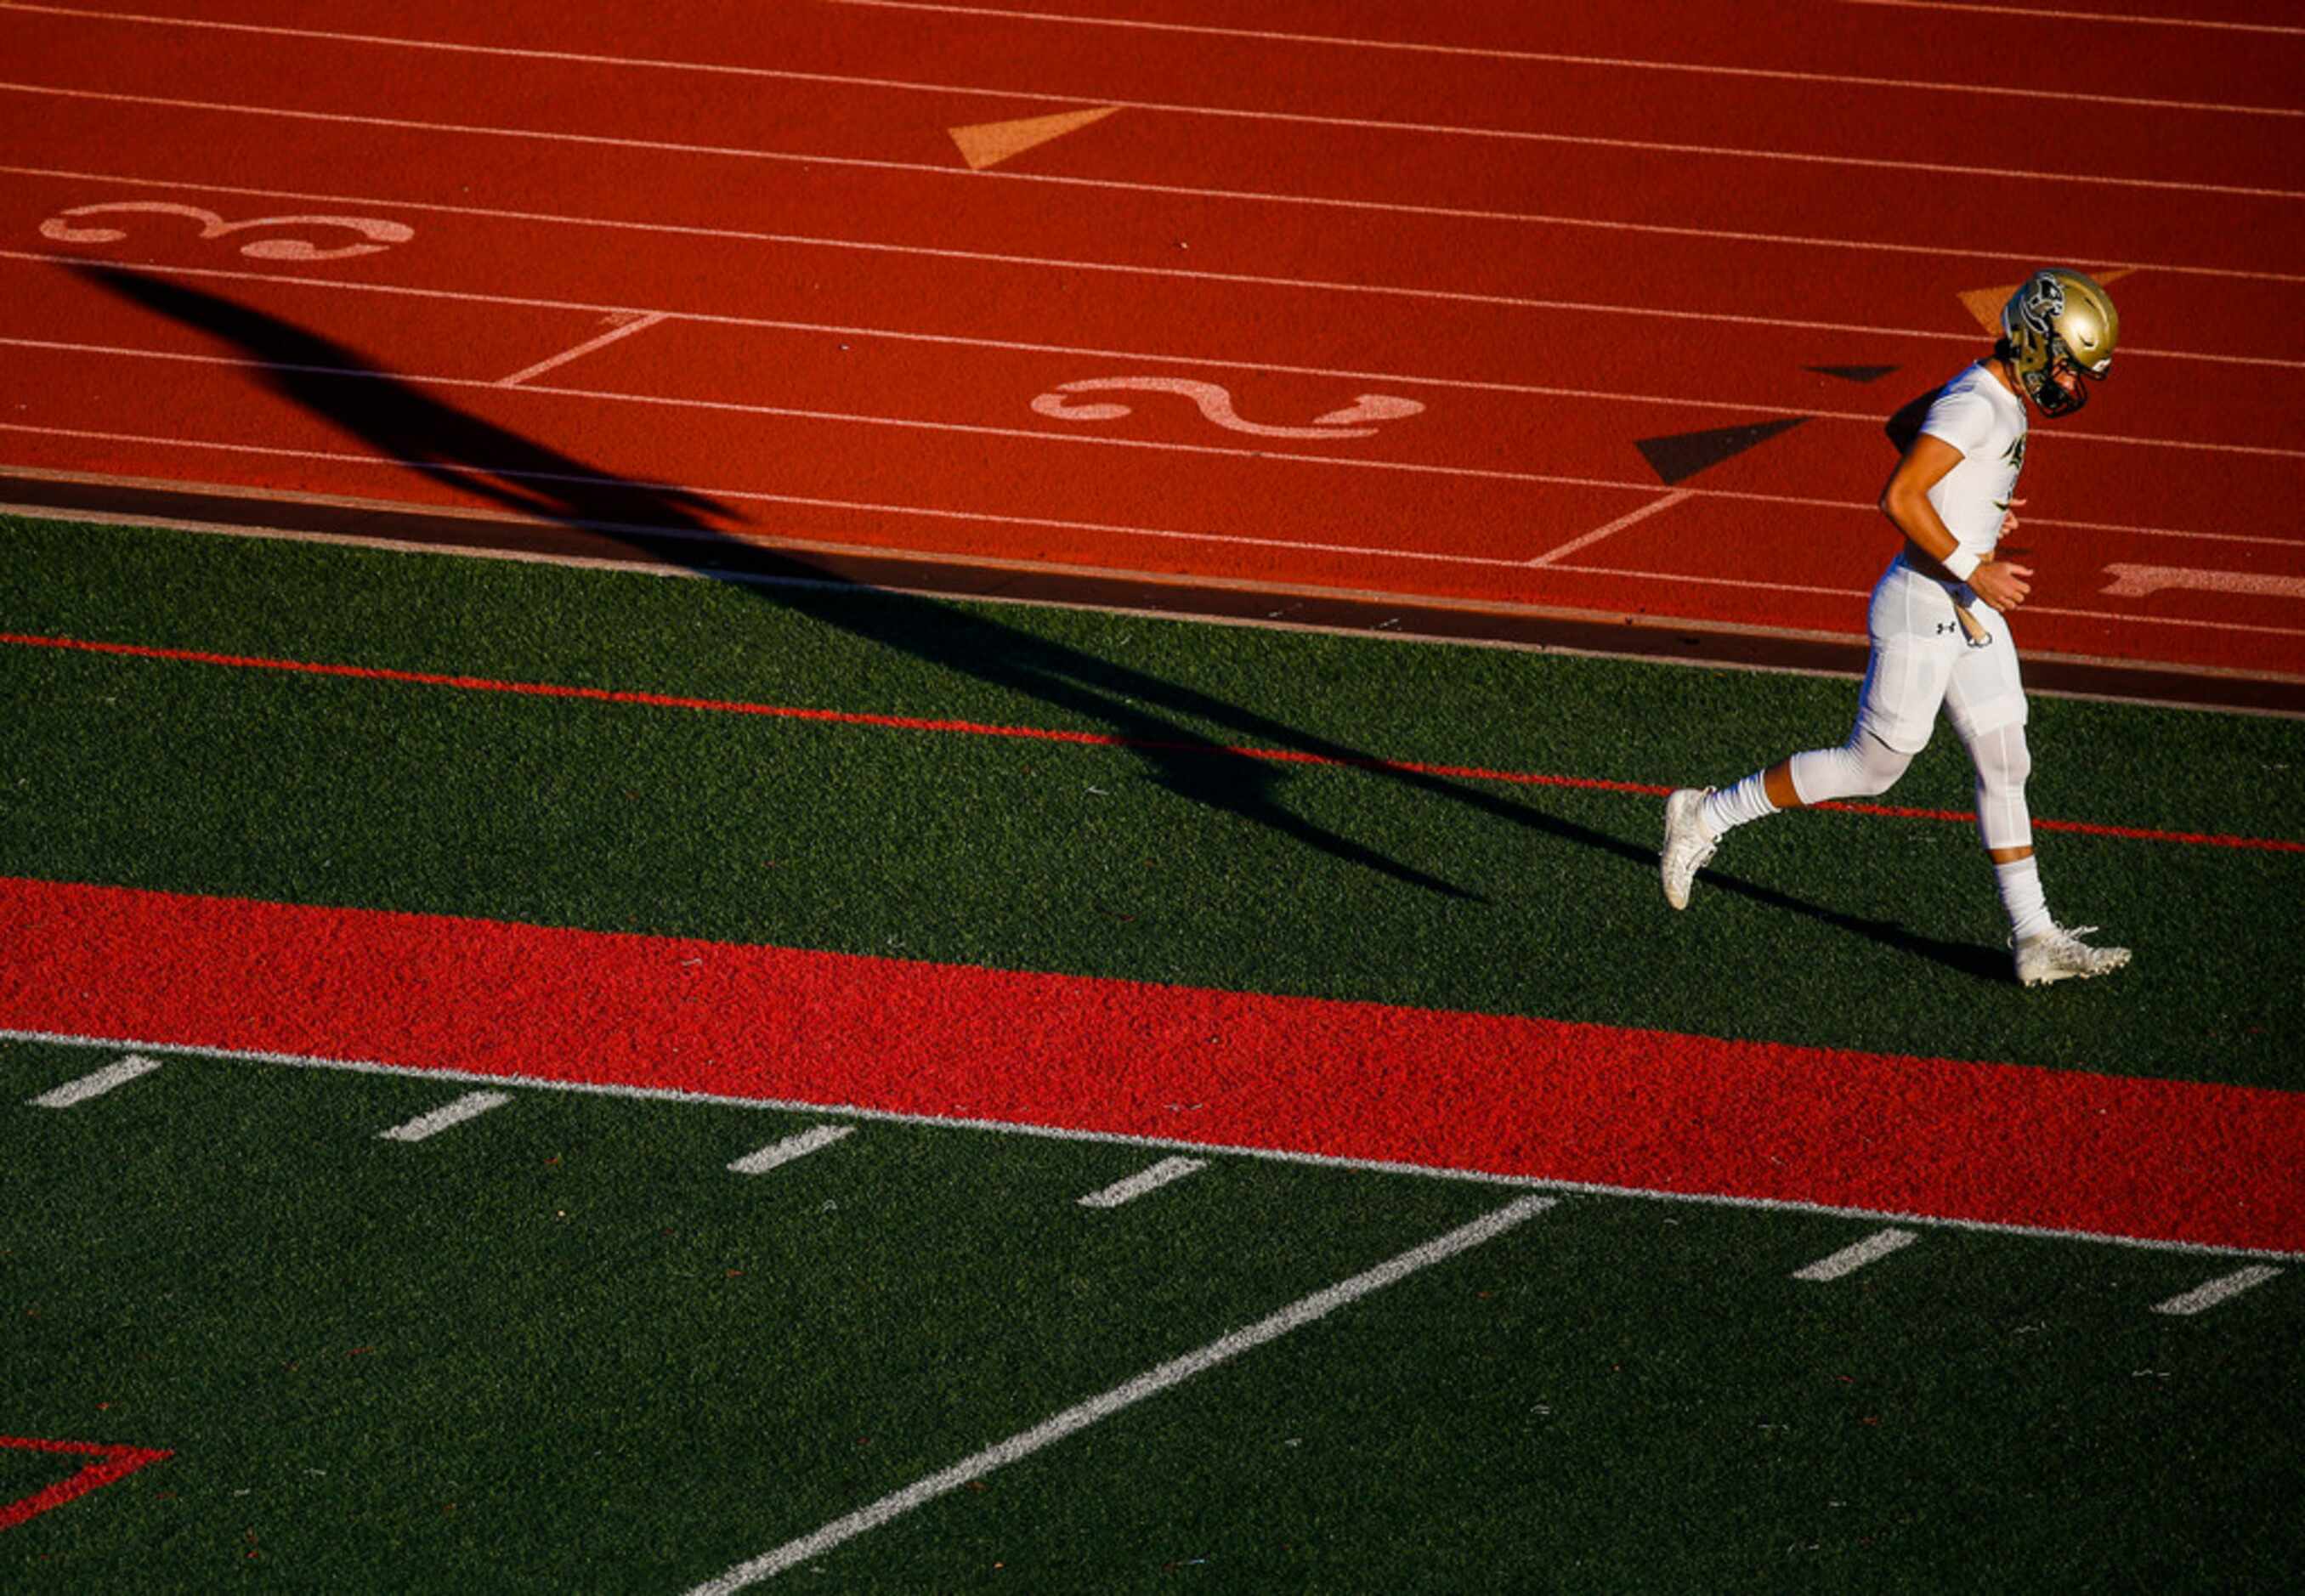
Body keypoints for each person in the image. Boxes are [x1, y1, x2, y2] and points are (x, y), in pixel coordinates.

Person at [1660, 269, 2131, 988]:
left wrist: (1973, 508)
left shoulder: (1987, 396)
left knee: (2006, 760)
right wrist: (1975, 562)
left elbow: (1903, 430)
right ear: (2035, 341)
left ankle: (2034, 934)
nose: (2069, 380)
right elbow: (1900, 495)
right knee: (1872, 767)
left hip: (1962, 609)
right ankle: (1705, 814)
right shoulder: (1980, 403)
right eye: (2065, 360)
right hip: (1923, 605)